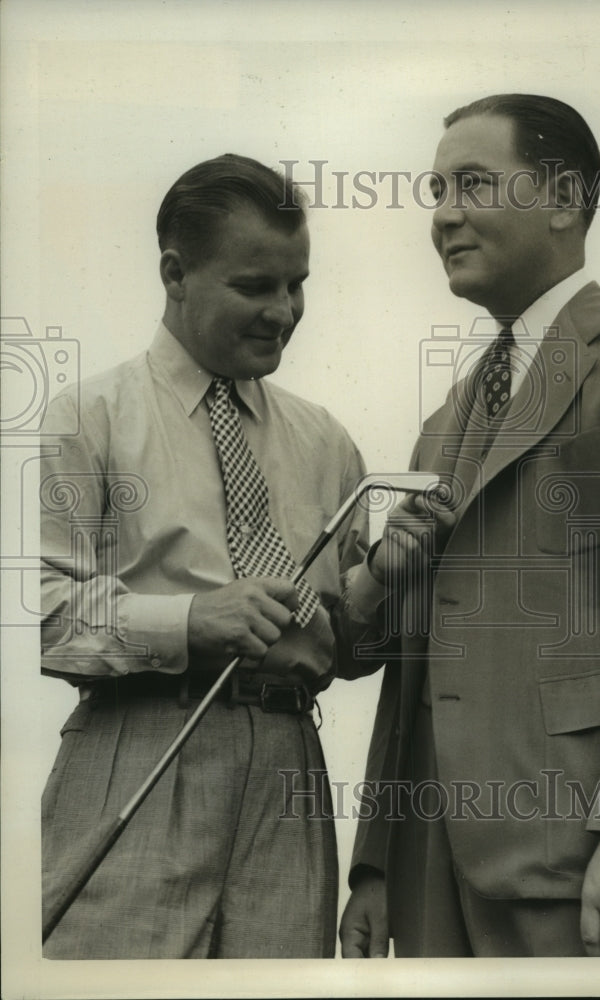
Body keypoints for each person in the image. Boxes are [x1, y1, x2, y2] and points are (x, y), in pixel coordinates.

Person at [340, 94, 600, 958]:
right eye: (435, 189)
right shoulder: (442, 421)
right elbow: (414, 659)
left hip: (581, 861)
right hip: (429, 872)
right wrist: (376, 866)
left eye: (473, 183)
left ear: (563, 200)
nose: (443, 213)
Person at [40, 153, 381, 959]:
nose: (284, 310)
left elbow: (353, 648)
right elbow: (38, 616)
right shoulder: (86, 418)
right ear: (174, 273)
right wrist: (192, 619)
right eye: (254, 286)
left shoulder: (326, 440)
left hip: (290, 772)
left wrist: (384, 589)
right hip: (138, 746)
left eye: (297, 283)